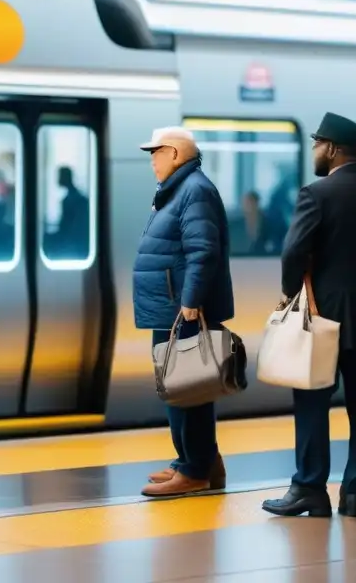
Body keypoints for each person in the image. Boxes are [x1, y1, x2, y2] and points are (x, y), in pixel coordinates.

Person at [261, 112, 356, 519]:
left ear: (331, 148)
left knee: (312, 401)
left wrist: (292, 291)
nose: (314, 151)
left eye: (317, 144)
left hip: (321, 318)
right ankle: (354, 492)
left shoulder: (316, 195)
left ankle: (310, 488)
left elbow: (294, 251)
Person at [133, 126, 234, 498]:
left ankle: (195, 470)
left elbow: (202, 250)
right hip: (170, 307)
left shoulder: (194, 191)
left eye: (155, 152)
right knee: (181, 388)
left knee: (186, 390)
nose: (152, 161)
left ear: (175, 153)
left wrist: (189, 302)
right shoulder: (179, 191)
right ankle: (196, 459)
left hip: (182, 310)